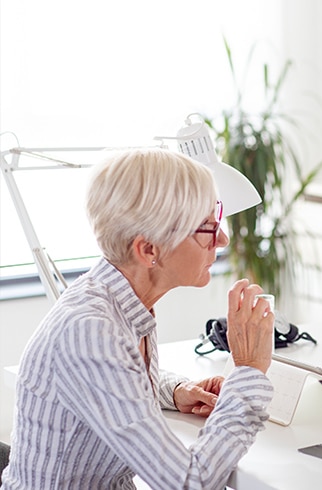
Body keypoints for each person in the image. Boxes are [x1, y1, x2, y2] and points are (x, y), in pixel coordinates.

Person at [2, 148, 275, 489]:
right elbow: (190, 483)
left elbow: (110, 380)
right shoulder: (90, 330)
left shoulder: (120, 300)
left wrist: (173, 391)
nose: (222, 238)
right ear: (148, 251)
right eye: (206, 228)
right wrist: (248, 371)